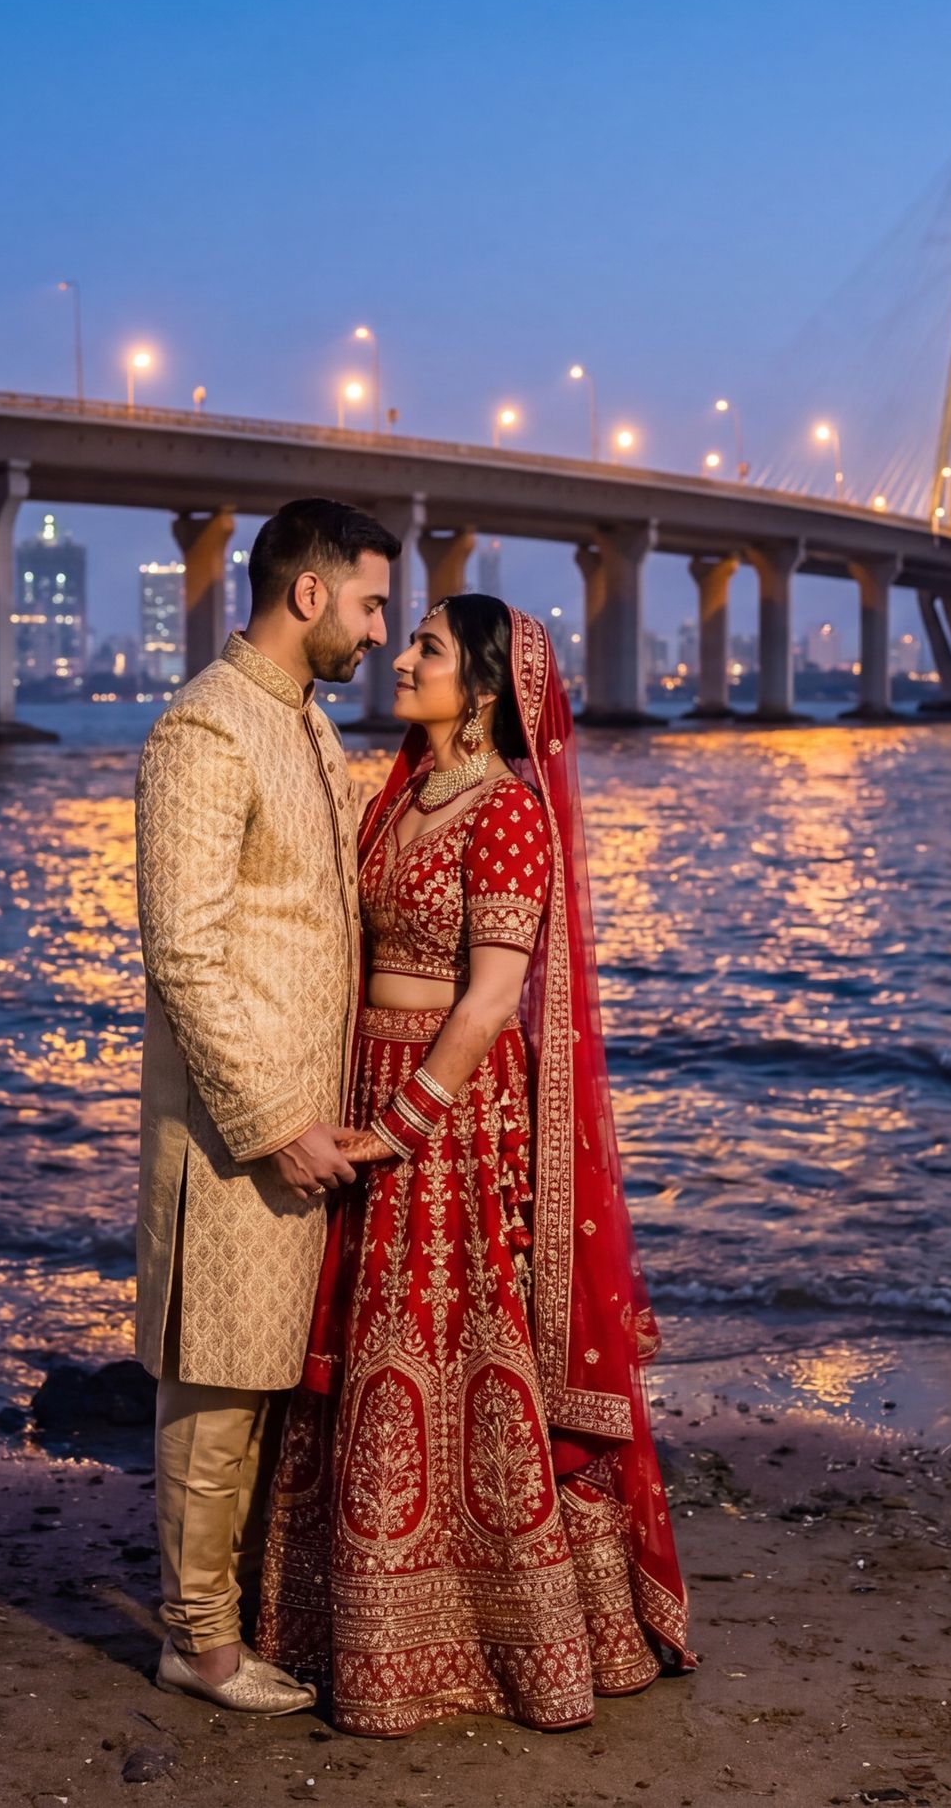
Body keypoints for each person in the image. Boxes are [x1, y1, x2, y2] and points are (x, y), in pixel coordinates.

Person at [257, 594, 692, 1737]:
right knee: (364, 1350)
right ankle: (338, 1626)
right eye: (406, 641)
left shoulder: (506, 812)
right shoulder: (397, 800)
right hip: (364, 1091)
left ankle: (502, 1635)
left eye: (429, 650)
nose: (402, 659)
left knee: (449, 1347)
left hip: (444, 1120)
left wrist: (403, 1123)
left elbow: (494, 998)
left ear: (485, 689)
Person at [133, 497, 401, 1714]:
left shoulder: (303, 727)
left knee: (267, 1383)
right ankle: (197, 1642)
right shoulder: (206, 730)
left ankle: (236, 1617)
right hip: (238, 1138)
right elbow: (182, 956)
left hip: (309, 1126)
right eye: (369, 601)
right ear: (309, 594)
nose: (380, 628)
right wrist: (275, 1121)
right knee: (217, 1382)